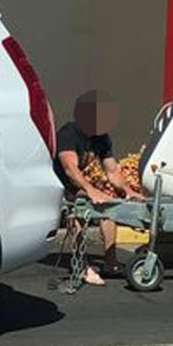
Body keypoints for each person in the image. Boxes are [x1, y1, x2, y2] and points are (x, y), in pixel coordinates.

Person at [53, 91, 144, 286]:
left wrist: (128, 191)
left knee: (109, 204)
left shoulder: (102, 137)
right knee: (76, 210)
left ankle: (110, 262)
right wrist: (90, 190)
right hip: (60, 185)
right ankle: (81, 267)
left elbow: (112, 171)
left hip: (80, 185)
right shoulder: (68, 133)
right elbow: (70, 170)